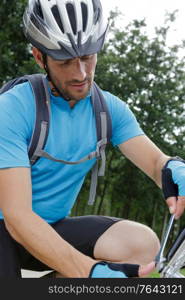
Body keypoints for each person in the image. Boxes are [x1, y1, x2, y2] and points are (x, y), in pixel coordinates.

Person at [0, 0, 185, 279]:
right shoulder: (13, 108)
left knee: (141, 244)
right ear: (40, 57)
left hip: (52, 228)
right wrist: (90, 272)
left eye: (87, 57)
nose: (81, 74)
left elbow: (158, 163)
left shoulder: (109, 111)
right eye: (64, 62)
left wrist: (174, 168)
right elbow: (17, 218)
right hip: (7, 229)